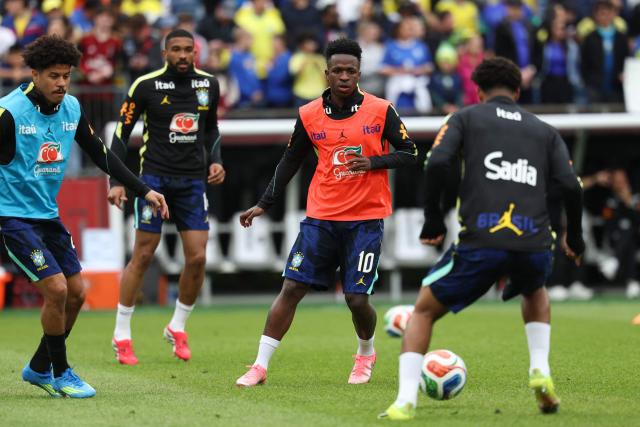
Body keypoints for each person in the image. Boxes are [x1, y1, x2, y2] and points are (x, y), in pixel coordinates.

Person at [379, 57, 585, 420]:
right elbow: (571, 185)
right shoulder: (544, 130)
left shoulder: (465, 118)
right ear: (518, 92)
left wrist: (432, 219)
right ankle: (540, 370)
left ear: (478, 91)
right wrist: (577, 238)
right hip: (534, 243)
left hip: (481, 241)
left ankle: (405, 401)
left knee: (423, 311)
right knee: (535, 290)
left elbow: (438, 162)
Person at [235, 38, 418, 387]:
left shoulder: (381, 110)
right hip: (321, 218)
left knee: (356, 298)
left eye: (351, 71)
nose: (344, 76)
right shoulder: (308, 114)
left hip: (365, 219)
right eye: (338, 71)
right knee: (291, 288)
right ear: (327, 73)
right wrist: (264, 203)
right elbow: (290, 160)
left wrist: (373, 162)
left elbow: (410, 153)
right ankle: (259, 366)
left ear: (359, 73)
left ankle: (365, 353)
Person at [0, 35, 168, 398]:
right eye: (53, 76)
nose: (61, 83)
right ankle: (60, 373)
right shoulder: (9, 113)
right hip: (11, 218)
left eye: (66, 76)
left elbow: (102, 155)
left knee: (76, 294)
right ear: (34, 74)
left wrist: (144, 190)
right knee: (57, 289)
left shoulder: (72, 108)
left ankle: (39, 366)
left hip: (47, 216)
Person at [109, 29, 225, 365]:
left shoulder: (208, 84)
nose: (183, 56)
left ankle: (177, 326)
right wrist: (117, 181)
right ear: (164, 53)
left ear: (195, 52)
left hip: (192, 182)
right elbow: (120, 134)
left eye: (189, 49)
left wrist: (216, 160)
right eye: (176, 50)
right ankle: (122, 333)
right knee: (143, 255)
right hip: (153, 180)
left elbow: (211, 128)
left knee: (198, 257)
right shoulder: (144, 86)